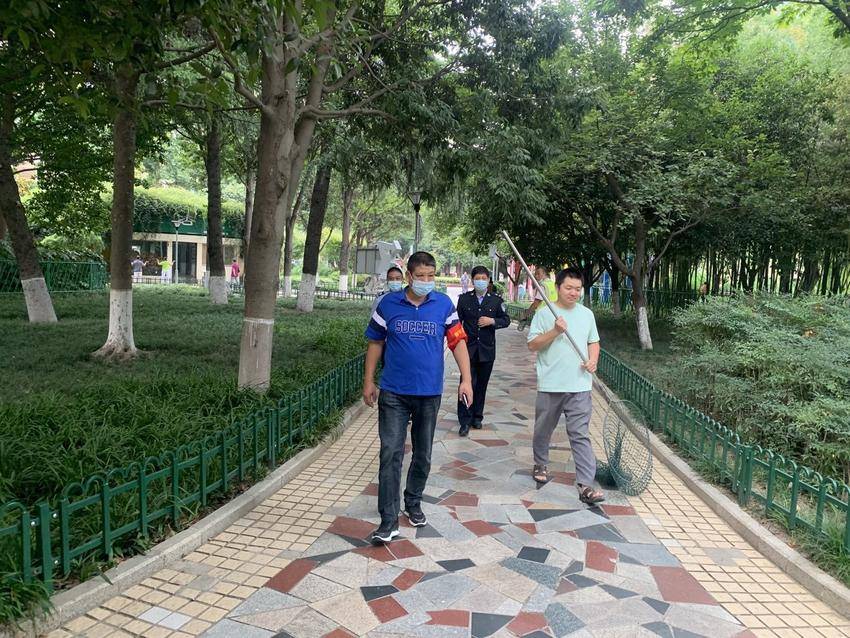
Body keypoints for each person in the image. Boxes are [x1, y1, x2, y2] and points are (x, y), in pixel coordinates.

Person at [363, 251, 473, 544]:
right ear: (409, 276)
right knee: (390, 453)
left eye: (431, 276)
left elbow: (458, 342)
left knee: (422, 453)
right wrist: (368, 381)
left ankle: (413, 502)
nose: (427, 281)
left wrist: (466, 380)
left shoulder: (443, 305)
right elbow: (375, 343)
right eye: (421, 276)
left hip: (428, 392)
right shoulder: (388, 304)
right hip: (393, 392)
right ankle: (388, 521)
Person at [527, 267, 605, 505]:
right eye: (569, 288)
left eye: (578, 289)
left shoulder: (586, 314)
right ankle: (540, 463)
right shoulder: (544, 313)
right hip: (551, 384)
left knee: (580, 434)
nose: (574, 293)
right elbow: (533, 345)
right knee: (543, 429)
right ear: (558, 288)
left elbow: (594, 342)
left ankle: (586, 485)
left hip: (580, 385)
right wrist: (555, 331)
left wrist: (593, 360)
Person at [455, 266, 510, 437]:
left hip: (487, 350)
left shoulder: (496, 301)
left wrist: (492, 321)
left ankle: (477, 417)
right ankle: (465, 420)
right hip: (468, 349)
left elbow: (506, 320)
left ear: (488, 280)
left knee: (481, 385)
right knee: (467, 383)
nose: (480, 281)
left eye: (483, 278)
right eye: (477, 278)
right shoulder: (464, 299)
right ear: (472, 280)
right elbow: (457, 322)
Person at [517, 266, 557, 331]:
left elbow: (536, 304)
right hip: (552, 317)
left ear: (544, 273)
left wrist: (525, 315)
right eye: (535, 274)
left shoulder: (543, 285)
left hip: (542, 317)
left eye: (538, 274)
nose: (536, 276)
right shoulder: (553, 284)